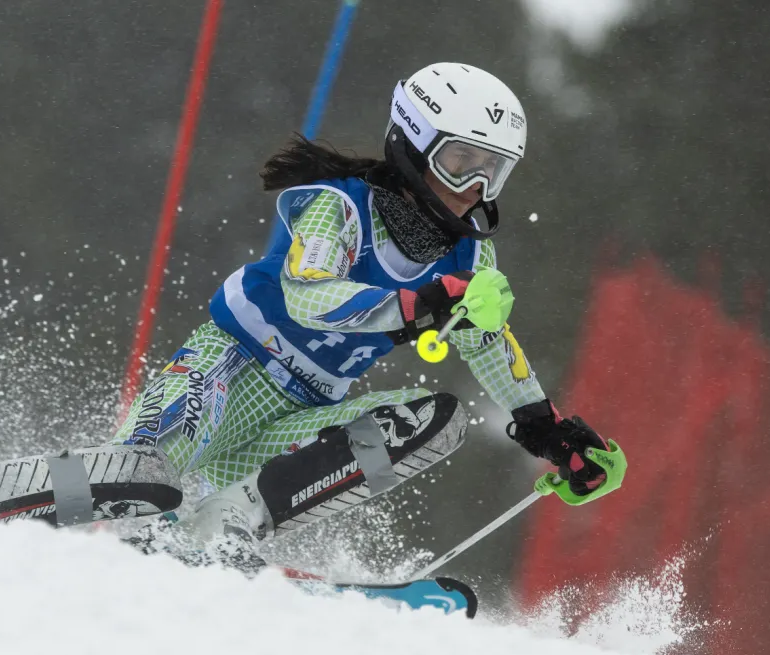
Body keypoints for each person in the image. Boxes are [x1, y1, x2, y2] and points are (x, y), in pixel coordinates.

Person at [115, 62, 619, 571]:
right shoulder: (342, 208)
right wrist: (415, 306)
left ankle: (226, 519)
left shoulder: (470, 259)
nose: (476, 186)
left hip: (302, 416)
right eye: (461, 162)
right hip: (234, 368)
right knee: (143, 473)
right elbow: (306, 295)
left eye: (494, 170)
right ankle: (107, 509)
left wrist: (546, 427)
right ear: (413, 146)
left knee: (437, 420)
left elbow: (487, 342)